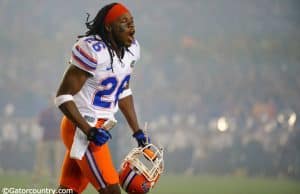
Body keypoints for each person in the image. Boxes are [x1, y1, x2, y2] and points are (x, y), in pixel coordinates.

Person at [54, 2, 148, 194]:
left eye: (132, 21)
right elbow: (63, 96)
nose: (131, 27)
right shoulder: (93, 51)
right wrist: (89, 130)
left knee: (68, 191)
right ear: (109, 27)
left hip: (99, 127)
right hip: (81, 126)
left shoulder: (131, 50)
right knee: (112, 191)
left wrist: (136, 130)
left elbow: (123, 92)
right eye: (124, 22)